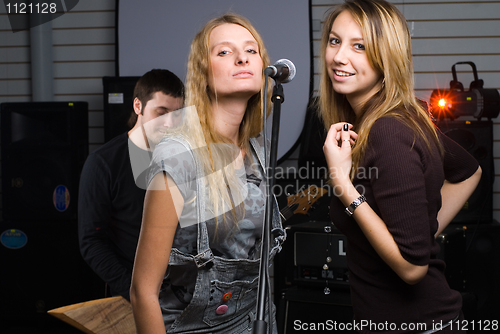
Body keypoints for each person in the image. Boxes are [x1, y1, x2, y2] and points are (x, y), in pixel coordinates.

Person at [319, 1, 481, 333]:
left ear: (386, 57)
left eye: (359, 46)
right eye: (335, 41)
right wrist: (418, 231)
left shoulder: (389, 130)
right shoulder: (390, 118)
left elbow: (411, 267)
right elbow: (469, 171)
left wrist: (343, 185)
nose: (338, 56)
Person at [130, 13, 285, 334]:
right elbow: (142, 291)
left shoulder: (259, 149)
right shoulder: (178, 156)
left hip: (254, 321)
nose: (242, 57)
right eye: (224, 52)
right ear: (203, 74)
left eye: (251, 51)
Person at [78, 69, 185, 300]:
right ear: (138, 106)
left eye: (176, 114)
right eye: (161, 112)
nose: (169, 123)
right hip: (133, 298)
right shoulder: (103, 163)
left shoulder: (183, 158)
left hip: (185, 295)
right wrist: (137, 293)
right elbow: (92, 242)